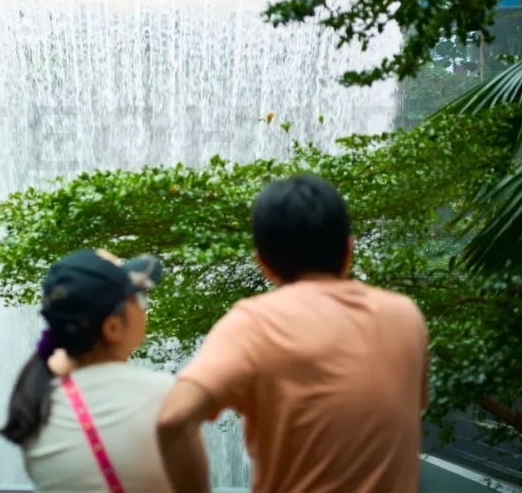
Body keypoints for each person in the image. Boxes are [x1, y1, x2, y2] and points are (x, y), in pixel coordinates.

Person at [157, 174, 429, 493]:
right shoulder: (406, 316)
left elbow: (172, 420)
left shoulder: (254, 323)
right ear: (348, 249)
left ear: (263, 264)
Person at [0, 248, 175, 493]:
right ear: (113, 328)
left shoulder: (35, 406)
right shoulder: (163, 395)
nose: (144, 307)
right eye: (139, 299)